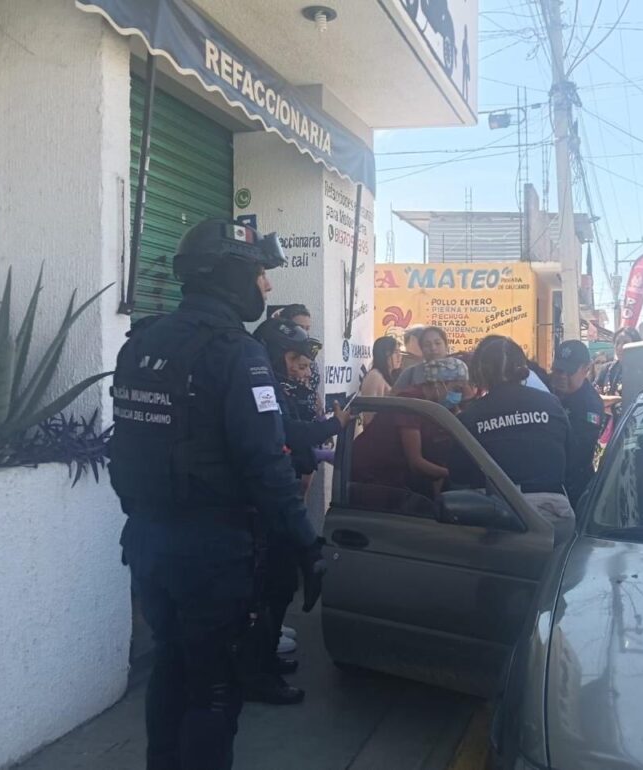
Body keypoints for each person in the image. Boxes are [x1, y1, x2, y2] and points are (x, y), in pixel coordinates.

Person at [109, 219, 324, 770]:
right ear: (229, 275)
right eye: (259, 273)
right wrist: (307, 543)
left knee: (171, 666)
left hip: (148, 543)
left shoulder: (142, 340)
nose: (266, 285)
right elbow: (267, 464)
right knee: (213, 687)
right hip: (211, 554)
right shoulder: (238, 354)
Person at [249, 316, 350, 704]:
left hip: (278, 499)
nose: (301, 368)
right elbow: (288, 433)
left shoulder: (277, 389)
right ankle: (258, 672)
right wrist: (334, 425)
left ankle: (265, 659)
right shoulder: (261, 389)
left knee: (280, 585)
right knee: (271, 586)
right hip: (265, 504)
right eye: (295, 359)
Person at [450, 337, 574, 529]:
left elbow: (458, 473)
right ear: (523, 367)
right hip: (554, 514)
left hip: (496, 515)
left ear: (480, 372)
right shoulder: (551, 402)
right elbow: (571, 454)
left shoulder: (470, 416)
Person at [351, 357, 472, 500]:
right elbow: (416, 463)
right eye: (456, 389)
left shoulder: (434, 407)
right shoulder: (412, 402)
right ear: (439, 383)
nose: (458, 395)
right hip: (370, 476)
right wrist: (454, 474)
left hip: (394, 478)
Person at [549, 340, 605, 507]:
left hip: (574, 487)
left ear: (586, 369)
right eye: (559, 370)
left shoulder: (590, 405)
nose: (562, 377)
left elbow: (578, 452)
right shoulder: (548, 390)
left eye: (569, 372)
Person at [359, 336, 402, 426]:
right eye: (395, 352)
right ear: (384, 354)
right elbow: (370, 415)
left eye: (399, 352)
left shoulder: (387, 376)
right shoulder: (374, 376)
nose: (399, 356)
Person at [391, 325, 450, 392]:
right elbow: (393, 396)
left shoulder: (458, 368)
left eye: (438, 343)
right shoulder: (410, 374)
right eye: (427, 344)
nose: (433, 348)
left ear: (446, 346)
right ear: (422, 348)